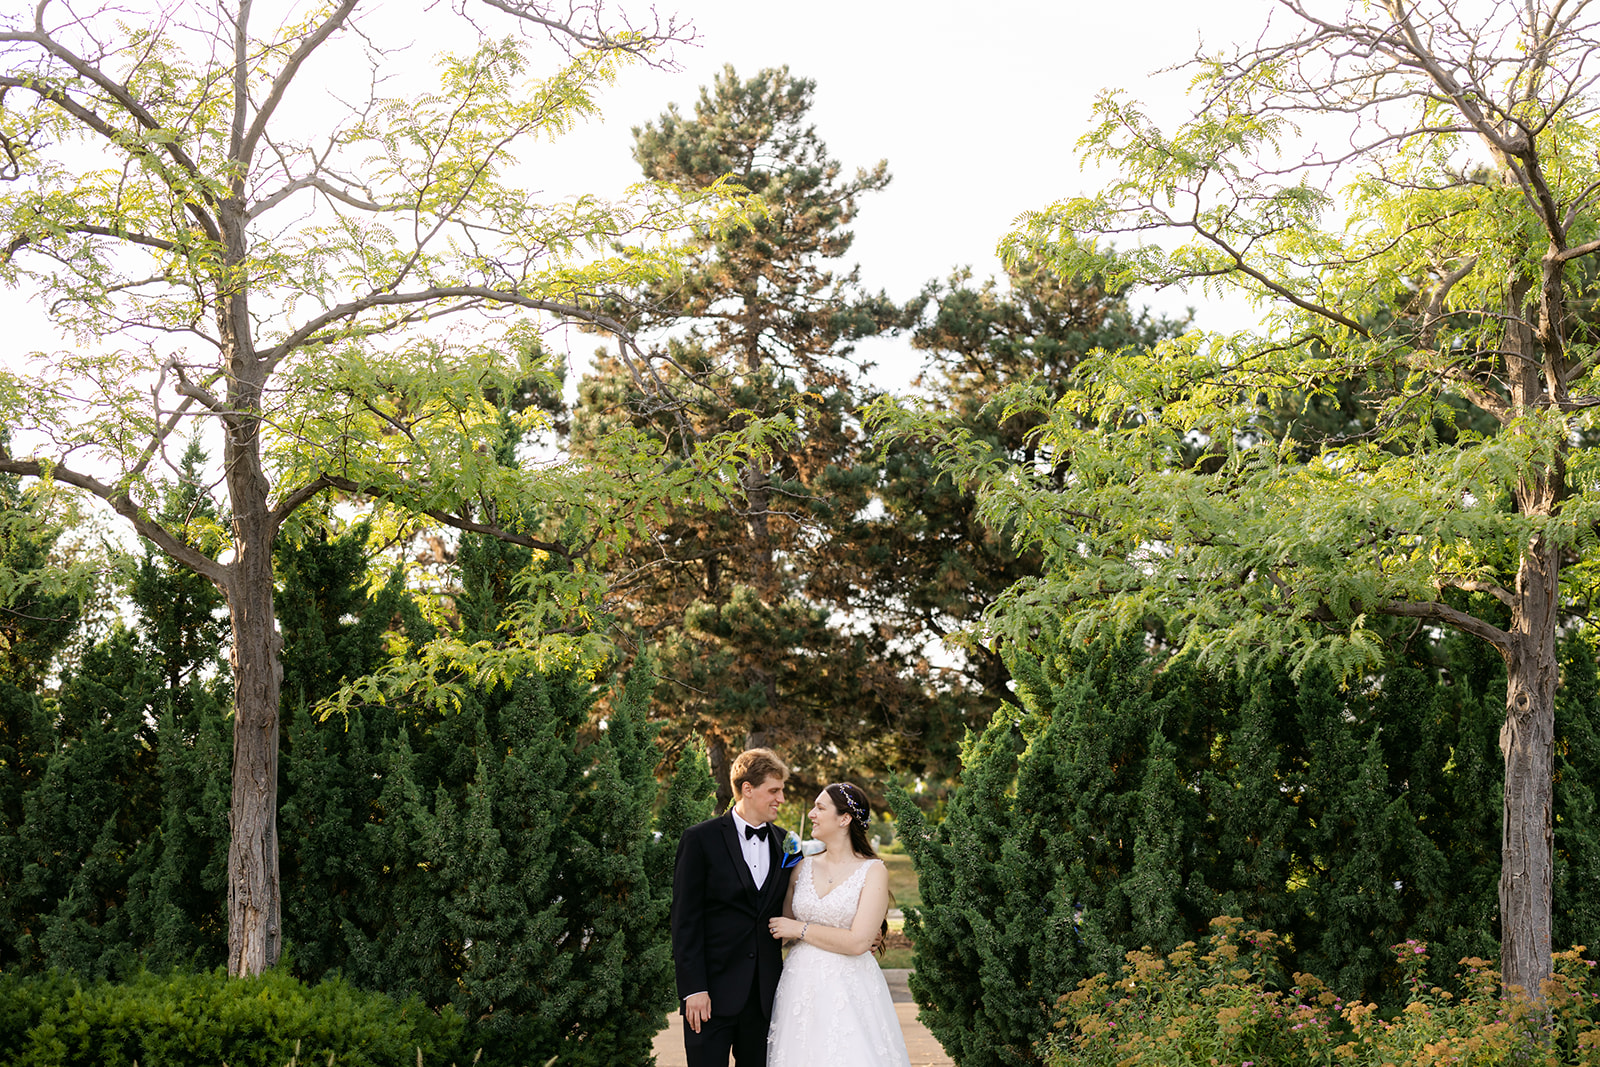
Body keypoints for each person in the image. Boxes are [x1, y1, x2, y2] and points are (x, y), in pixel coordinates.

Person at [764, 782, 911, 1067]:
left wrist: (800, 930)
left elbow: (858, 942)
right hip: (800, 988)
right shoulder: (801, 867)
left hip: (849, 987)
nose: (812, 814)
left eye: (820, 808)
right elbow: (779, 931)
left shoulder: (873, 871)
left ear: (844, 819)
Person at [672, 748, 797, 1067]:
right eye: (774, 790)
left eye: (781, 790)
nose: (781, 799)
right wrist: (694, 988)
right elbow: (685, 920)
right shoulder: (700, 839)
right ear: (747, 789)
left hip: (763, 998)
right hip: (709, 996)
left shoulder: (787, 843)